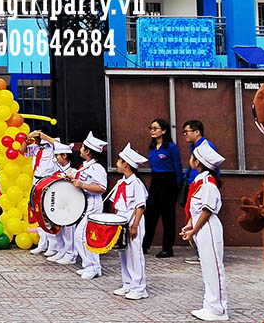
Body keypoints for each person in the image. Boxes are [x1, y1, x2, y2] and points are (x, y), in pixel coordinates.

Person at [181, 140, 229, 321]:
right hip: (202, 227)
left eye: (192, 157)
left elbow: (207, 210)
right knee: (207, 268)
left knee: (214, 268)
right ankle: (210, 305)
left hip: (208, 227)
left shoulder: (208, 183)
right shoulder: (200, 181)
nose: (190, 160)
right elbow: (197, 209)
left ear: (198, 162)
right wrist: (190, 225)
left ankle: (218, 309)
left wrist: (194, 230)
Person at [112, 143, 149, 300]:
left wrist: (134, 226)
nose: (117, 163)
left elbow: (140, 206)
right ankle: (127, 283)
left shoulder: (136, 184)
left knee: (135, 254)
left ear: (126, 164)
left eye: (119, 161)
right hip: (122, 221)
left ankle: (139, 287)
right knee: (124, 254)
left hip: (134, 221)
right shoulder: (122, 182)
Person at [142, 118, 182, 258]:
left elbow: (177, 168)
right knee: (150, 214)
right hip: (155, 181)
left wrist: (177, 186)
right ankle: (144, 245)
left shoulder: (171, 147)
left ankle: (167, 248)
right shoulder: (152, 147)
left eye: (155, 128)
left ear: (164, 131)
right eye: (151, 128)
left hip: (169, 181)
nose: (152, 131)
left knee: (167, 216)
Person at [71, 131, 108, 280]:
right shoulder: (86, 165)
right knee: (83, 236)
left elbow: (102, 188)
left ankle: (92, 267)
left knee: (81, 236)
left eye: (82, 147)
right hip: (86, 203)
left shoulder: (96, 168)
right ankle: (92, 266)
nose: (80, 149)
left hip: (93, 203)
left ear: (87, 151)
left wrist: (81, 184)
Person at [181, 120, 219, 266]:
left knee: (202, 221)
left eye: (187, 131)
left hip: (201, 189)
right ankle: (200, 252)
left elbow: (214, 168)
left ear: (197, 132)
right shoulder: (195, 147)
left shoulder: (206, 147)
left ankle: (204, 253)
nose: (185, 135)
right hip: (193, 186)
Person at [27, 130, 59, 255]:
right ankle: (43, 243)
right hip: (36, 180)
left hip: (48, 181)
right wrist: (27, 139)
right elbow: (23, 151)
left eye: (37, 137)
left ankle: (53, 246)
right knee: (38, 212)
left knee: (48, 213)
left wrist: (42, 136)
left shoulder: (52, 146)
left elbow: (61, 147)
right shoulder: (36, 148)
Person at [46, 142, 78, 264]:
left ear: (65, 156)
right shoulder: (56, 170)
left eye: (57, 155)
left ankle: (71, 254)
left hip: (69, 205)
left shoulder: (73, 171)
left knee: (69, 229)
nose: (56, 158)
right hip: (59, 204)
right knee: (59, 229)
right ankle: (61, 251)